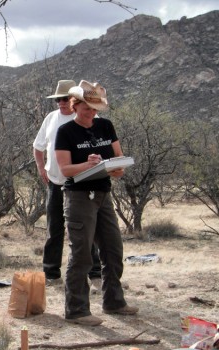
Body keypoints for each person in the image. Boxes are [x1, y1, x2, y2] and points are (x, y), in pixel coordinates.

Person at [55, 80, 138, 326]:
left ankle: (114, 301)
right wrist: (87, 165)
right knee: (81, 254)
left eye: (94, 109)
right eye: (86, 108)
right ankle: (77, 310)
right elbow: (65, 169)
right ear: (75, 105)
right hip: (79, 196)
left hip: (103, 193)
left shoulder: (106, 126)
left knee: (113, 249)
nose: (91, 113)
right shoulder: (66, 132)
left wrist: (116, 168)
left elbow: (118, 155)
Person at [33, 80, 102, 282]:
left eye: (65, 99)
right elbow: (38, 146)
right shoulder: (51, 118)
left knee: (85, 228)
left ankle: (94, 271)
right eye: (58, 100)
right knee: (54, 228)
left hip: (81, 183)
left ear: (74, 100)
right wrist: (41, 168)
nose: (61, 103)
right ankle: (51, 273)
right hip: (56, 181)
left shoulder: (84, 118)